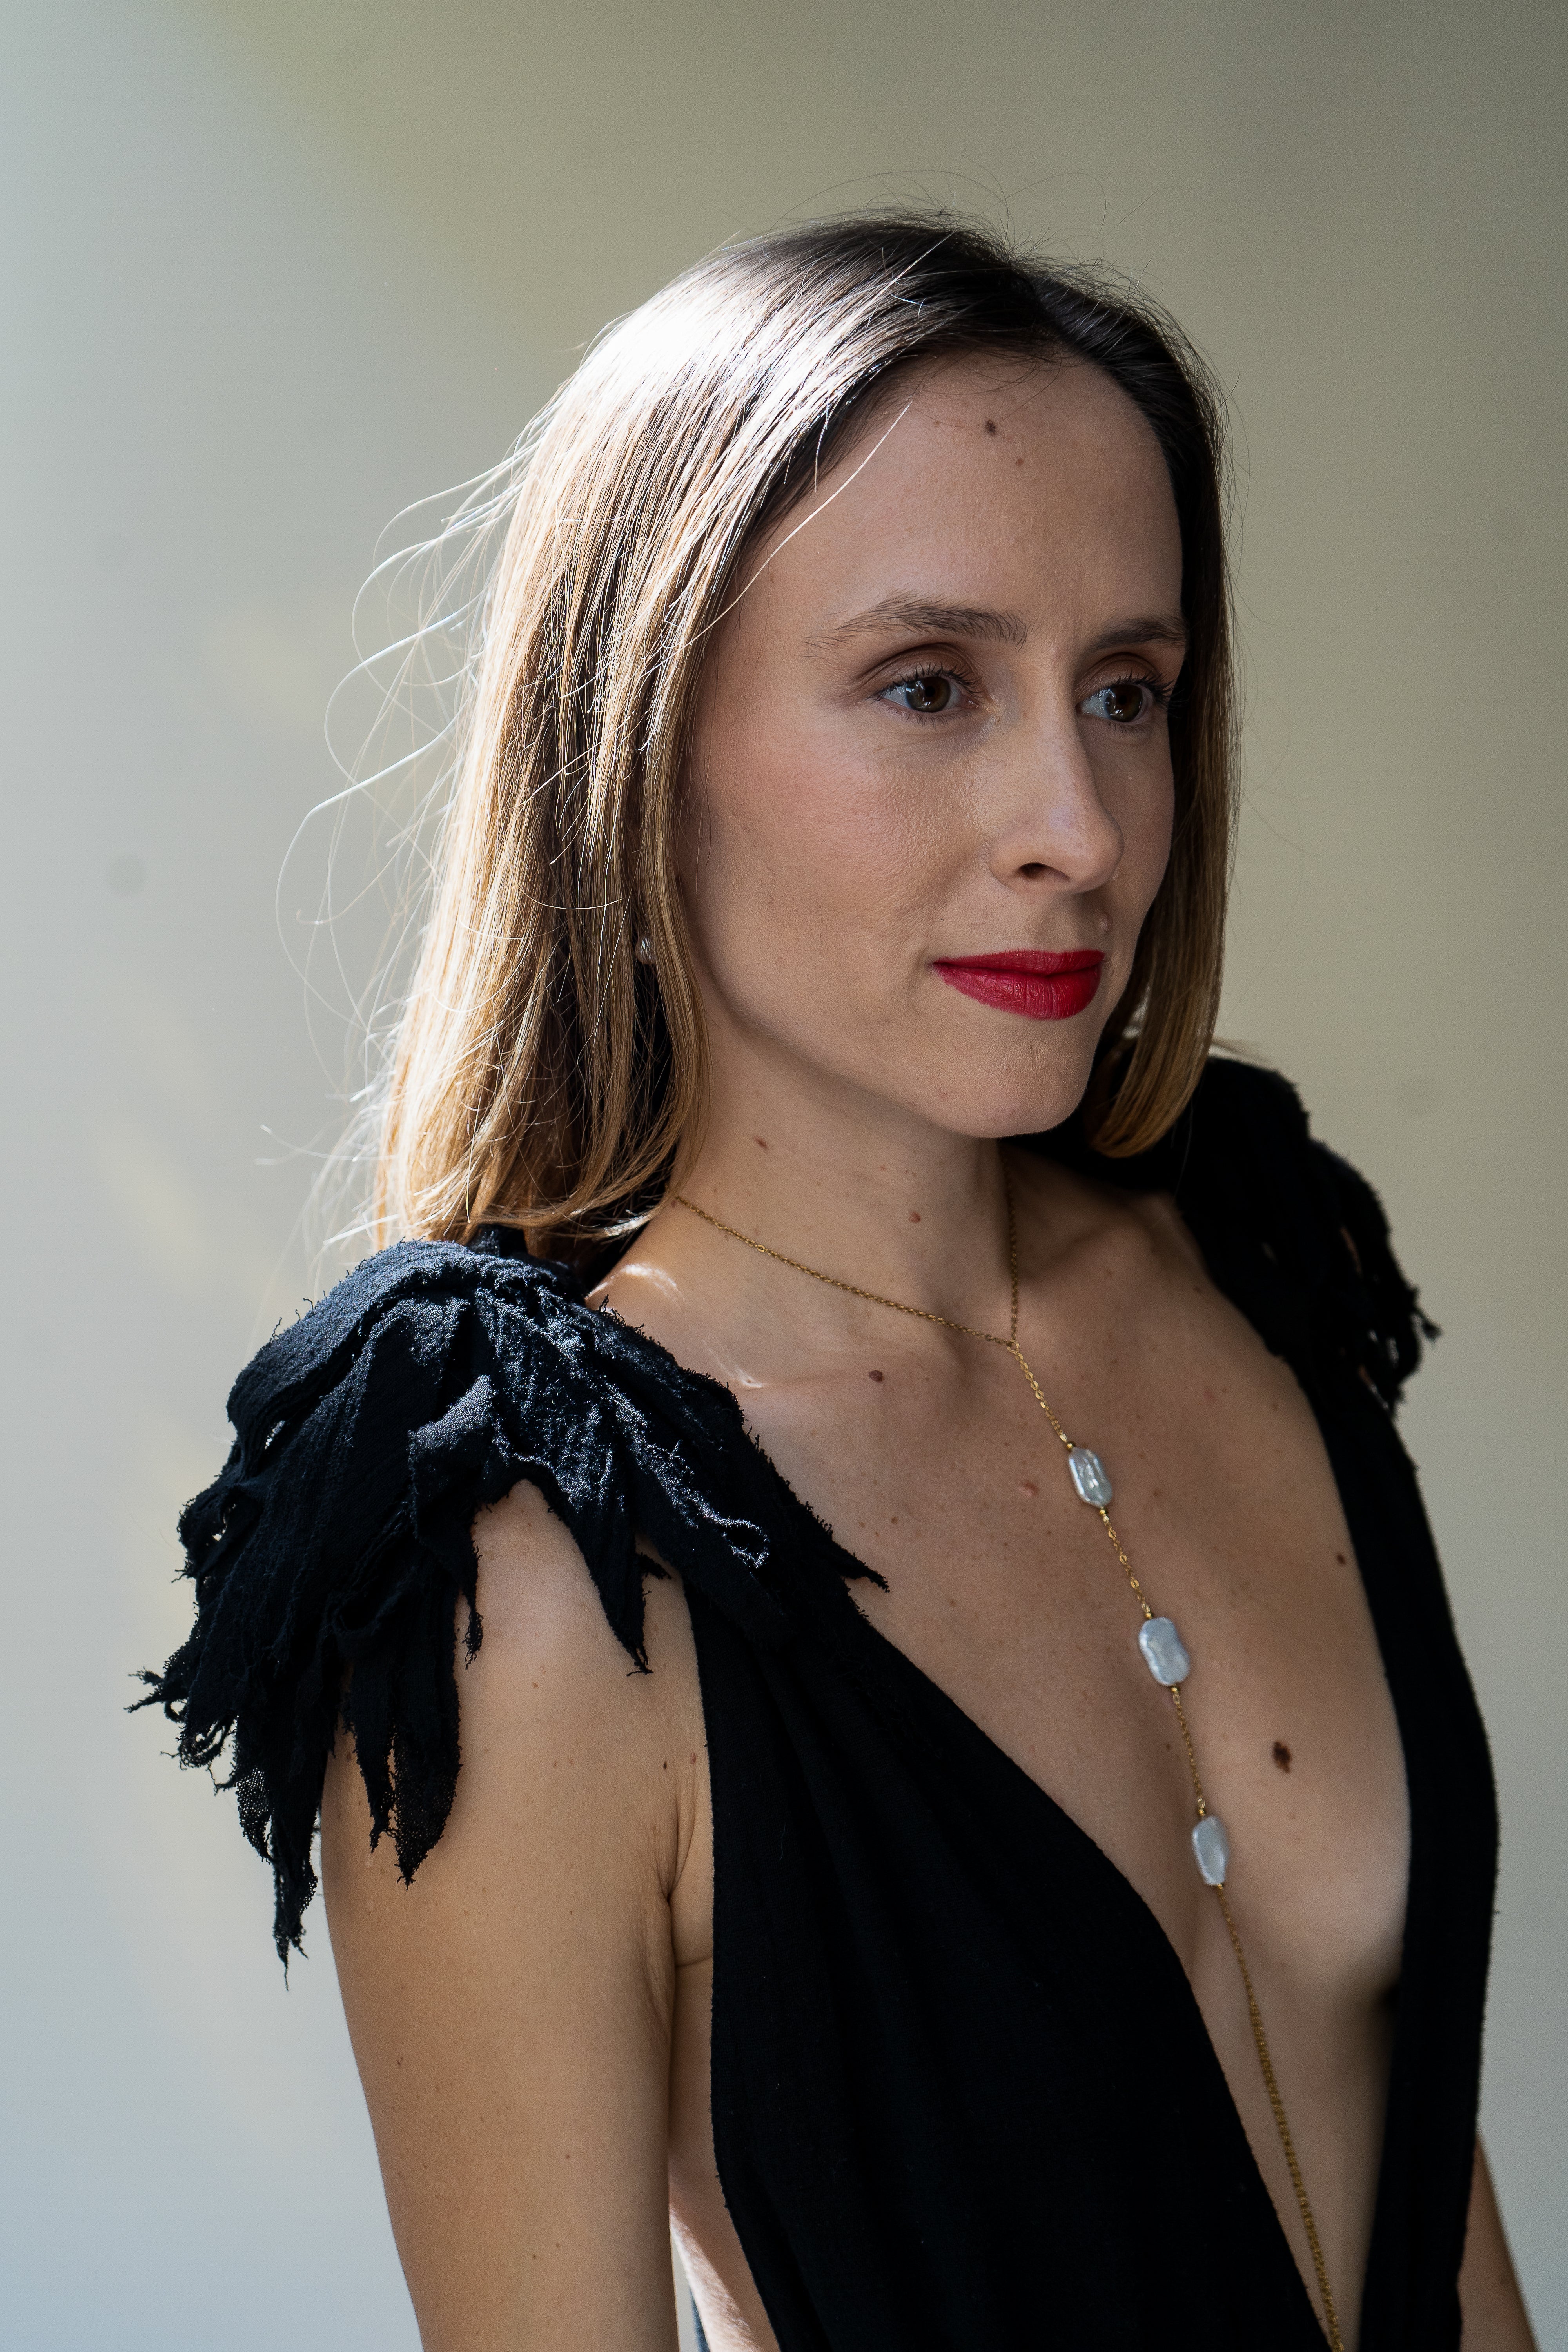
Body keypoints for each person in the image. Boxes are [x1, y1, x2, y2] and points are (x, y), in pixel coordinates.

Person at [140, 216, 1534, 2351]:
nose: (1080, 826)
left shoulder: (1253, 1266)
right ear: (637, 737)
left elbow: (1431, 2188)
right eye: (928, 686)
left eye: (1128, 693)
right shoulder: (539, 1568)